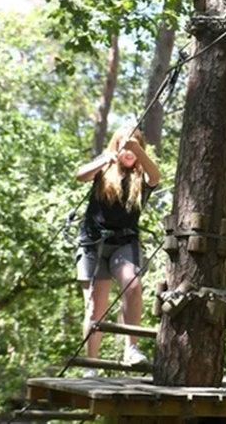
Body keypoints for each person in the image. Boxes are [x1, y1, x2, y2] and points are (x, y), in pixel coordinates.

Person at [74, 125, 161, 377]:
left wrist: (137, 150)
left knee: (132, 285)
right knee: (94, 307)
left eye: (135, 145)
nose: (130, 149)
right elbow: (80, 175)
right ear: (117, 145)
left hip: (125, 243)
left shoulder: (141, 177)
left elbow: (155, 177)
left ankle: (131, 348)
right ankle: (92, 364)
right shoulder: (104, 169)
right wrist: (105, 158)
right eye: (125, 144)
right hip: (93, 243)